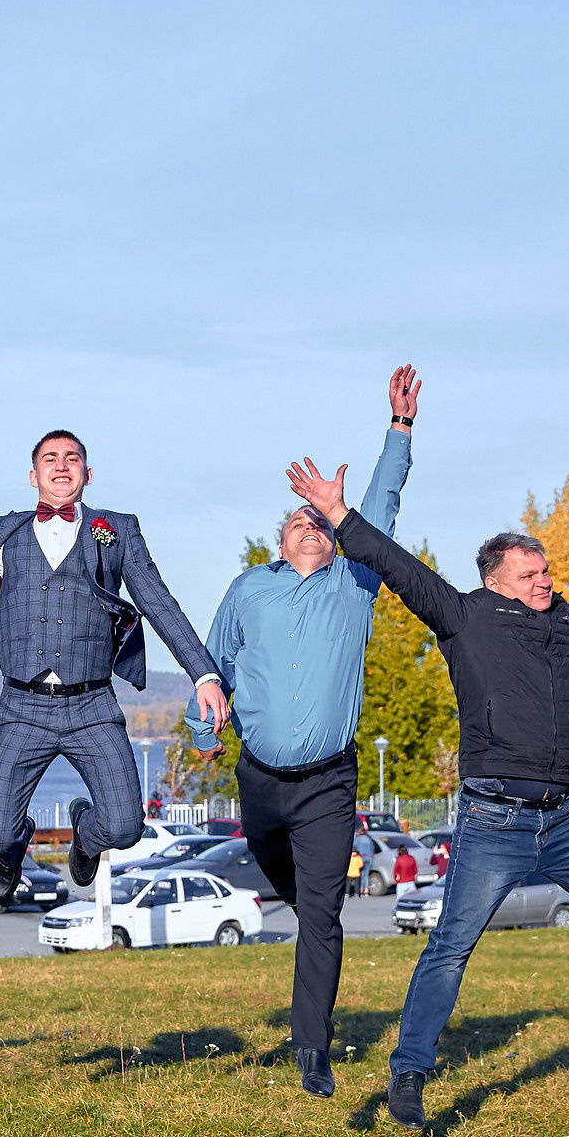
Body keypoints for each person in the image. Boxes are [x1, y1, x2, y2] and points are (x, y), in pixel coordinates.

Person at [287, 459, 569, 1133]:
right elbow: (398, 564)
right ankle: (409, 1072)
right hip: (493, 817)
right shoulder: (463, 616)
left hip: (564, 815)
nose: (545, 581)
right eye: (530, 574)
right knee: (451, 945)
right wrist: (341, 513)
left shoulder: (564, 623)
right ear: (495, 579)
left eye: (547, 571)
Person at [202, 365, 420, 1098]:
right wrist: (207, 736)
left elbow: (382, 509)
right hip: (260, 781)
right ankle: (314, 914)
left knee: (321, 916)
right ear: (282, 534)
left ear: (333, 542)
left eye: (321, 523)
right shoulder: (248, 589)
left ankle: (313, 1050)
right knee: (294, 888)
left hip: (329, 780)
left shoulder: (354, 586)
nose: (310, 525)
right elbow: (214, 666)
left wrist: (398, 430)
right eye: (299, 518)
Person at [0, 430, 229, 910]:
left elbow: (159, 604)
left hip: (93, 705)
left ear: (87, 474)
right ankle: (12, 849)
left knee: (124, 826)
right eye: (49, 459)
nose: (61, 465)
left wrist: (204, 676)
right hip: (21, 708)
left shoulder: (117, 530)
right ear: (33, 475)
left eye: (72, 458)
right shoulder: (4, 530)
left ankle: (84, 835)